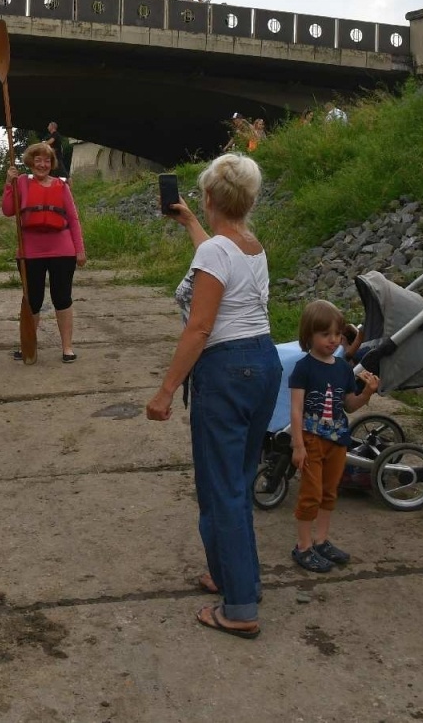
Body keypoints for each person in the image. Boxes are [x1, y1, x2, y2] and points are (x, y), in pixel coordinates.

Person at [145, 154, 277, 639]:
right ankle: (232, 576)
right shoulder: (250, 246)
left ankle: (240, 607)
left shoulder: (216, 253)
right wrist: (193, 223)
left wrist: (165, 390)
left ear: (209, 195)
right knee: (236, 481)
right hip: (262, 364)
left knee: (221, 489)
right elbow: (221, 260)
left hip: (226, 370)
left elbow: (200, 327)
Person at [287, 301, 377, 573]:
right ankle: (303, 546)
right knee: (310, 494)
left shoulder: (341, 368)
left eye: (337, 334)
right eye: (325, 334)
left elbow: (349, 404)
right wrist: (298, 445)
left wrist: (367, 393)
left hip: (338, 439)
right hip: (311, 439)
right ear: (309, 336)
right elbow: (296, 409)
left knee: (329, 491)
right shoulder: (303, 368)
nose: (333, 340)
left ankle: (321, 540)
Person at [1, 142, 86, 362]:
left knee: (62, 298)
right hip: (30, 252)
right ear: (30, 162)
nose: (42, 164)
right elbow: (8, 210)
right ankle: (28, 345)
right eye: (38, 160)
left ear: (52, 163)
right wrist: (8, 183)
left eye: (47, 160)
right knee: (33, 300)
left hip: (62, 251)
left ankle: (67, 348)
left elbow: (73, 220)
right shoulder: (20, 183)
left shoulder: (62, 186)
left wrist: (80, 250)